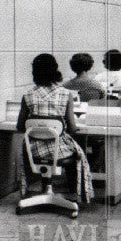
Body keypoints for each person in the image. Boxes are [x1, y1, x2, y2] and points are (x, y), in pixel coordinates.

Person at [16, 54, 94, 204]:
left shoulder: (27, 95)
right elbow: (72, 127)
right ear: (55, 71)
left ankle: (44, 189)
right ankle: (76, 192)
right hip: (59, 150)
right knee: (78, 152)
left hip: (33, 151)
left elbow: (20, 127)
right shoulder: (66, 94)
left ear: (34, 72)